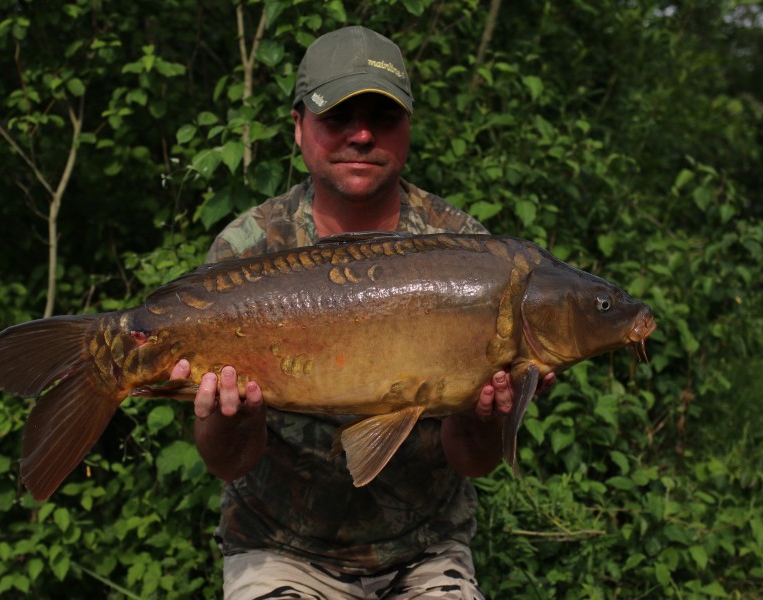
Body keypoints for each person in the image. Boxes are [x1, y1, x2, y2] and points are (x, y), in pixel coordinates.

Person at [170, 26, 553, 598]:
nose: (363, 134)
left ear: (408, 129)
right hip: (280, 549)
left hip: (425, 549)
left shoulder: (468, 251)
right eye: (338, 118)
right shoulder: (249, 248)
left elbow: (472, 463)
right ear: (298, 126)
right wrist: (230, 418)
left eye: (384, 117)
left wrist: (485, 414)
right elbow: (228, 464)